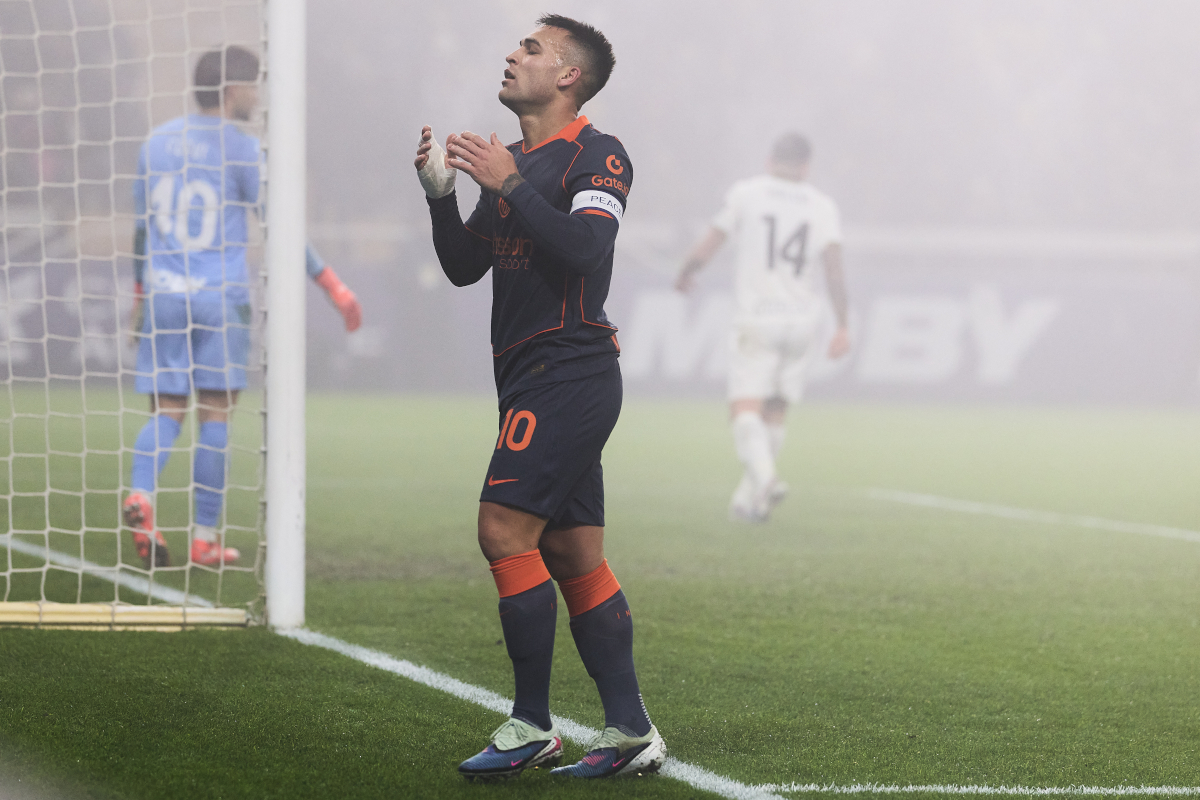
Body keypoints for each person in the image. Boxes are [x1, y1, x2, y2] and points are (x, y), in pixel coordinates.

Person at [414, 13, 666, 782]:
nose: (510, 54)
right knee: (570, 552)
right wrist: (441, 196)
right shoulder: (515, 162)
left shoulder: (598, 154)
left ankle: (530, 724)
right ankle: (630, 732)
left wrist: (509, 183)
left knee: (501, 528)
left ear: (568, 76)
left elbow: (588, 247)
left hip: (571, 370)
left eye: (530, 48)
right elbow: (466, 267)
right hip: (529, 374)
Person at [124, 46, 362, 569]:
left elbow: (141, 231)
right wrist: (332, 284)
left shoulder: (156, 142)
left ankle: (141, 494)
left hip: (163, 294)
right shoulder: (242, 149)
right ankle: (204, 538)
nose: (257, 95)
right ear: (233, 90)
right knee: (216, 412)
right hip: (220, 298)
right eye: (253, 85)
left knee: (166, 410)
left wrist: (139, 294)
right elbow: (281, 227)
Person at [676, 133, 851, 522]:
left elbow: (711, 242)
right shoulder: (822, 206)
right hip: (802, 321)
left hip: (757, 318)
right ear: (806, 166)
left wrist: (686, 271)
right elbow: (834, 269)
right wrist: (842, 325)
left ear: (770, 160)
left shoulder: (748, 193)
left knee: (744, 409)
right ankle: (748, 501)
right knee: (776, 409)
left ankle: (766, 480)